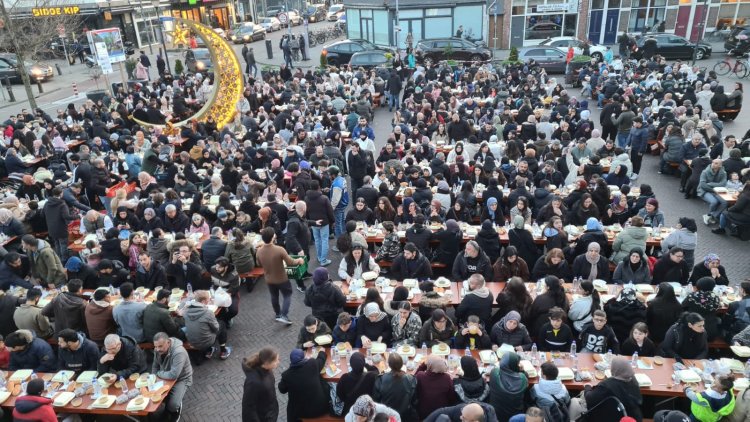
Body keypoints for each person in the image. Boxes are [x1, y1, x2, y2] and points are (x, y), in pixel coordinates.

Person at [255, 227, 304, 325]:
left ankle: (277, 314)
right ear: (273, 237)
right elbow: (290, 262)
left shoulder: (259, 251)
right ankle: (284, 315)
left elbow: (259, 263)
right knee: (287, 295)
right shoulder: (279, 249)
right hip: (282, 279)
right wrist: (299, 260)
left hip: (269, 279)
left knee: (274, 296)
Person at [569, 357, 643, 421]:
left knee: (574, 402)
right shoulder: (633, 380)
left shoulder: (608, 385)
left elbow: (589, 398)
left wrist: (587, 387)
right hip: (631, 417)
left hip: (608, 417)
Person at [278, 348, 330, 422]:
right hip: (320, 409)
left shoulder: (287, 375)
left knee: (290, 404)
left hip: (300, 413)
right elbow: (321, 360)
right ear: (303, 357)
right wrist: (321, 351)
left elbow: (282, 389)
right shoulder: (312, 364)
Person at [153, 332, 193, 422]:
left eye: (160, 346)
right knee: (157, 396)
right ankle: (168, 409)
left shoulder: (179, 352)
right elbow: (155, 365)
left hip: (181, 378)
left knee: (173, 404)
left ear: (168, 342)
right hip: (165, 375)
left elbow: (174, 375)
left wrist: (158, 374)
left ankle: (175, 409)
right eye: (155, 346)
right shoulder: (157, 350)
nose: (157, 349)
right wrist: (153, 378)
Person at [185, 290, 232, 360]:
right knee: (222, 324)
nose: (210, 300)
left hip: (192, 341)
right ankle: (223, 351)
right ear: (203, 301)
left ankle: (209, 351)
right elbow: (216, 328)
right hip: (206, 342)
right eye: (208, 299)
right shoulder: (208, 313)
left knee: (204, 329)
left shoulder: (186, 311)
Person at [373, 353, 419, 422]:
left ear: (389, 364)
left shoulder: (381, 379)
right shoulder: (411, 379)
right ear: (402, 364)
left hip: (388, 416)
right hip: (405, 416)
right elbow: (414, 400)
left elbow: (376, 400)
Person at [242, 347, 280, 422]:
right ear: (267, 363)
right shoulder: (253, 383)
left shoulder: (268, 370)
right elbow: (248, 408)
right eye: (276, 360)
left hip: (269, 414)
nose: (278, 362)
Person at [488, 352, 528, 421]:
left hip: (496, 414)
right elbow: (525, 376)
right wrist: (522, 370)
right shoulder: (522, 378)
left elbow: (497, 369)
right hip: (516, 415)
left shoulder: (494, 373)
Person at [683, 277, 722, 341]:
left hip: (693, 331)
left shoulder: (693, 296)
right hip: (710, 332)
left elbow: (683, 306)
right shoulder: (716, 298)